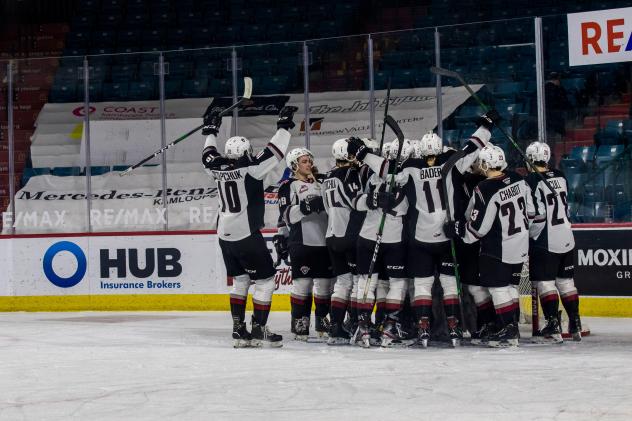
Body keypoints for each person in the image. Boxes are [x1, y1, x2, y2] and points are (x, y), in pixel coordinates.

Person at [201, 105, 297, 348]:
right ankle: (259, 329)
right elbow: (275, 152)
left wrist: (211, 129)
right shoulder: (251, 169)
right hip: (246, 234)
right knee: (265, 281)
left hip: (224, 234)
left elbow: (208, 153)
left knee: (240, 281)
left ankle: (238, 329)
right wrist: (283, 125)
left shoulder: (214, 166)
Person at [445, 145, 535, 347]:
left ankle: (509, 332)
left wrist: (459, 230)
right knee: (511, 288)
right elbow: (532, 212)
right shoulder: (518, 178)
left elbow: (478, 229)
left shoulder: (485, 188)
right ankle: (513, 328)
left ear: (486, 164)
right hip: (520, 245)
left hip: (498, 248)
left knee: (498, 290)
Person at [348, 137, 412, 348]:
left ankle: (384, 325)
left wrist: (364, 154)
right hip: (373, 236)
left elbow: (390, 172)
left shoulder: (406, 173)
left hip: (389, 237)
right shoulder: (371, 173)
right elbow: (355, 202)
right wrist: (371, 200)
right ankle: (368, 325)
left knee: (384, 283)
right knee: (374, 282)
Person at [526, 141, 582, 342]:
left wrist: (530, 234)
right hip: (567, 236)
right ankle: (575, 323)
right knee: (566, 282)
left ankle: (553, 325)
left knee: (545, 283)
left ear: (531, 159)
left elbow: (538, 215)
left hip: (545, 239)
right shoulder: (560, 175)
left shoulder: (531, 180)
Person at [278, 147, 333, 341]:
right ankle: (300, 323)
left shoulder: (322, 184)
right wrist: (306, 206)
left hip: (325, 241)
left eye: (310, 160)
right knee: (303, 285)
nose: (309, 163)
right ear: (294, 165)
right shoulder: (288, 185)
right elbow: (286, 215)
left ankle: (322, 322)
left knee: (326, 286)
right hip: (301, 241)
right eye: (304, 161)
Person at [321, 138, 365, 345]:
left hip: (331, 234)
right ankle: (356, 324)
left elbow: (327, 206)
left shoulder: (327, 176)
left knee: (342, 282)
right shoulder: (350, 173)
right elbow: (356, 202)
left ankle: (336, 327)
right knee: (357, 281)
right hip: (349, 234)